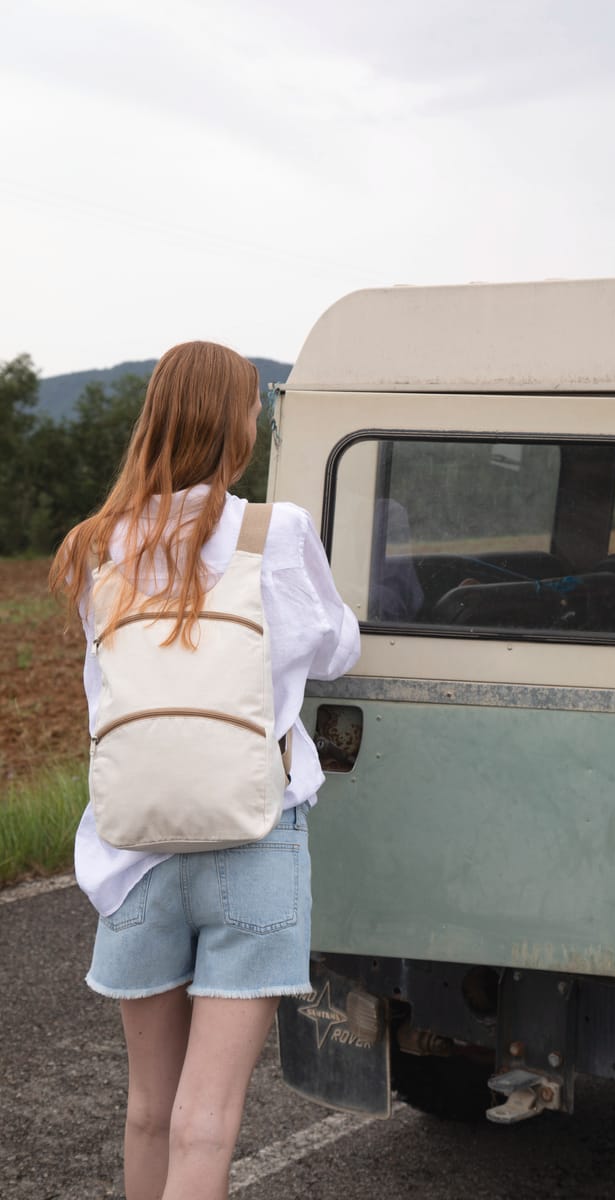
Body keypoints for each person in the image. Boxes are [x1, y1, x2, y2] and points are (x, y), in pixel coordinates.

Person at [50, 340, 360, 1200]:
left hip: (133, 848)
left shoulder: (97, 547)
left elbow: (100, 689)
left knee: (150, 1110)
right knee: (207, 1120)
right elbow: (337, 646)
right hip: (254, 836)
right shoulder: (276, 532)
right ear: (235, 424)